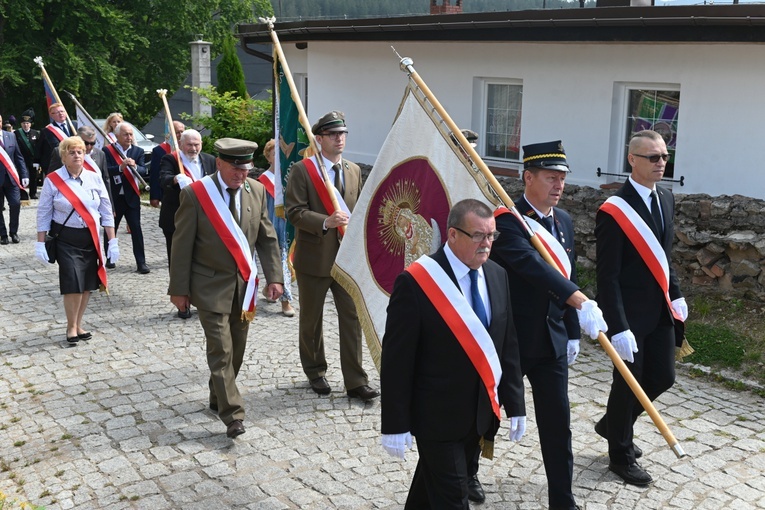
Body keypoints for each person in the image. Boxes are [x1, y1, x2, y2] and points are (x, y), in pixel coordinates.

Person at [381, 198, 526, 509]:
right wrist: (394, 423)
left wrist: (515, 401)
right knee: (453, 498)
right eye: (478, 236)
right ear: (452, 235)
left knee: (428, 490)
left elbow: (507, 345)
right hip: (435, 418)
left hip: (479, 417)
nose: (486, 244)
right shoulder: (416, 282)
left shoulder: (497, 275)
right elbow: (396, 360)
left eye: (491, 236)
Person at [489, 140, 607, 510]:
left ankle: (563, 498)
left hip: (552, 339)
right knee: (487, 413)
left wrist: (571, 330)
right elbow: (533, 268)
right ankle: (469, 473)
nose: (559, 185)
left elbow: (564, 274)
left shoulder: (565, 222)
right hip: (511, 341)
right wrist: (582, 301)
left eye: (562, 179)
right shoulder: (506, 223)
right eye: (551, 178)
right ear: (528, 178)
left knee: (558, 423)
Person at [168, 138, 283, 439]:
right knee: (220, 348)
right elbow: (181, 247)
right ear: (218, 163)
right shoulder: (196, 194)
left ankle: (217, 394)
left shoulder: (256, 191)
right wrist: (178, 289)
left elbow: (267, 237)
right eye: (235, 168)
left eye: (246, 168)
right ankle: (233, 414)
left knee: (237, 350)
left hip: (244, 286)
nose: (241, 174)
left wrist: (275, 277)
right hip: (208, 285)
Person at [594, 129, 687, 486]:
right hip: (630, 315)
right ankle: (620, 453)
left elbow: (663, 257)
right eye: (653, 157)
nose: (661, 163)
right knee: (627, 385)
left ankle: (612, 425)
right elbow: (609, 275)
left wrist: (675, 292)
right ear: (632, 160)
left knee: (663, 376)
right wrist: (616, 325)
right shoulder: (615, 210)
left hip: (660, 307)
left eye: (665, 156)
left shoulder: (666, 198)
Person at [285, 110, 378, 401]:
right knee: (311, 321)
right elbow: (294, 212)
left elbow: (360, 210)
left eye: (343, 134)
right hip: (315, 257)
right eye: (333, 135)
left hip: (346, 258)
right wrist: (325, 221)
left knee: (351, 318)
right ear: (319, 138)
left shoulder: (353, 170)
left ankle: (355, 380)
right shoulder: (304, 170)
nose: (340, 139)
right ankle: (315, 371)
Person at [34, 136, 118, 345]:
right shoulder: (53, 180)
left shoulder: (94, 178)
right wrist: (39, 242)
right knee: (73, 281)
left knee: (88, 283)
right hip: (66, 239)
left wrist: (112, 240)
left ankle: (79, 323)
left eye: (80, 151)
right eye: (72, 152)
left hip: (90, 237)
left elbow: (106, 210)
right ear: (63, 156)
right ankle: (71, 327)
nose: (77, 155)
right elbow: (44, 212)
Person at [158, 129, 215, 288]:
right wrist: (176, 179)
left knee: (202, 258)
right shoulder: (170, 159)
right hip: (176, 220)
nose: (193, 148)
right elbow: (164, 180)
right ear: (181, 144)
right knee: (178, 260)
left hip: (203, 219)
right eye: (189, 144)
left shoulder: (210, 160)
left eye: (196, 144)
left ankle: (200, 294)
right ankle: (181, 298)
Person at [103, 122, 149, 273]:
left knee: (136, 229)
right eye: (125, 134)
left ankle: (141, 263)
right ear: (117, 136)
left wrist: (135, 167)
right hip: (115, 197)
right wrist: (120, 168)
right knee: (111, 227)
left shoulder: (138, 151)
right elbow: (105, 172)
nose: (129, 137)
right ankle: (110, 257)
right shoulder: (108, 151)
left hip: (131, 197)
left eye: (131, 134)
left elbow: (144, 170)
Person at [257, 139, 295, 317]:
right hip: (273, 224)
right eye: (274, 154)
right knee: (281, 260)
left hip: (290, 223)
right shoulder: (263, 181)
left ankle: (269, 287)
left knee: (287, 260)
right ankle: (285, 301)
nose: (278, 158)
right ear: (268, 157)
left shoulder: (291, 177)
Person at [0, 112, 29, 244]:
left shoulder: (11, 136)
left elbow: (19, 157)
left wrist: (24, 175)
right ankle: (3, 234)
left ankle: (13, 232)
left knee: (15, 204)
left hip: (11, 178)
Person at [149, 120, 185, 208]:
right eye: (177, 132)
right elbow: (154, 175)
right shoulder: (159, 150)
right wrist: (154, 196)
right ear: (169, 134)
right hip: (167, 191)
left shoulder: (188, 148)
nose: (180, 135)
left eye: (182, 132)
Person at [38, 103, 73, 176]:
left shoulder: (74, 125)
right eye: (57, 112)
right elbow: (56, 145)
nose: (61, 114)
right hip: (59, 164)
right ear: (52, 115)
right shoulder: (47, 130)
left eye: (62, 111)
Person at [15, 109, 40, 199]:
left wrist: (37, 161)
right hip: (21, 159)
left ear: (30, 124)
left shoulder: (36, 133)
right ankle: (22, 194)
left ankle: (33, 193)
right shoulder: (16, 133)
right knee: (22, 176)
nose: (26, 125)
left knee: (33, 177)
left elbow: (38, 148)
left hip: (32, 160)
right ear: (21, 124)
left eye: (27, 123)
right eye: (24, 123)